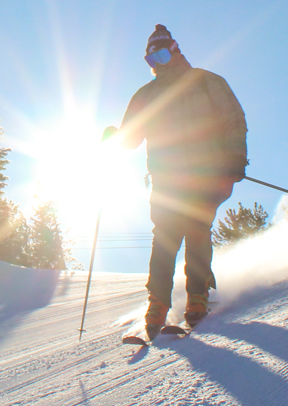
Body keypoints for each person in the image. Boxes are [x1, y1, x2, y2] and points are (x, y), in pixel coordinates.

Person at [104, 24, 247, 332]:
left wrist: (235, 159)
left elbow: (233, 119)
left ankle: (197, 295)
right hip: (166, 178)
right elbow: (131, 138)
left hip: (206, 171)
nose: (157, 63)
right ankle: (158, 302)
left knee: (196, 228)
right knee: (165, 236)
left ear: (176, 49)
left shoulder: (206, 83)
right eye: (150, 60)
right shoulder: (146, 95)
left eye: (161, 54)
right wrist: (113, 137)